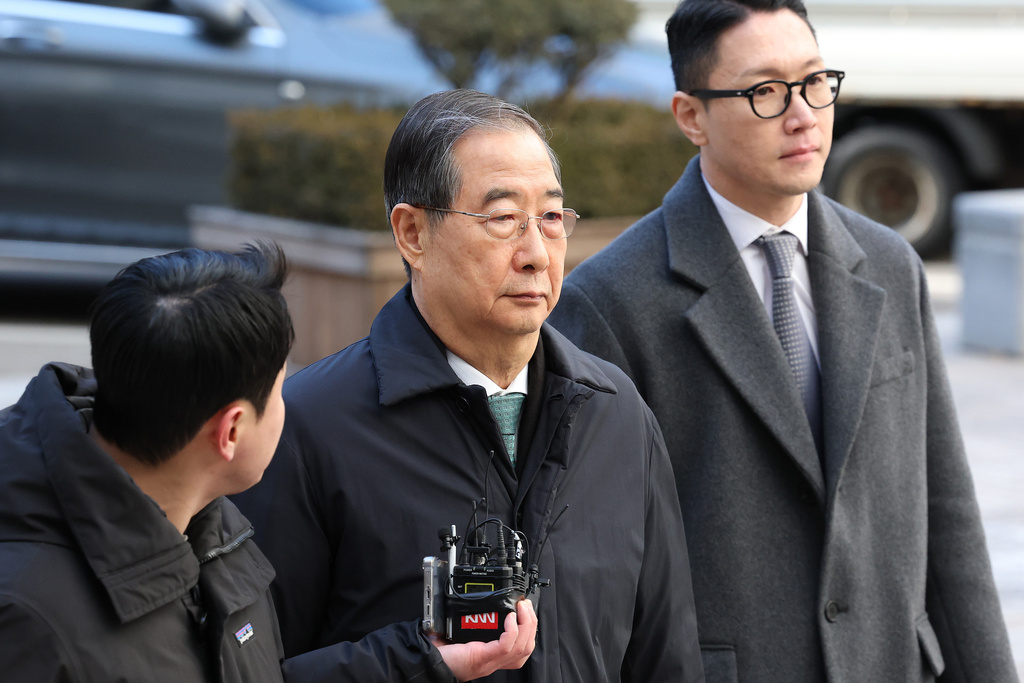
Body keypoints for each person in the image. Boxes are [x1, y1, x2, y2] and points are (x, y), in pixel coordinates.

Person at [549, 1, 1018, 681]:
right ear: (691, 116)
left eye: (815, 81)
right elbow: (590, 568)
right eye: (765, 91)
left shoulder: (890, 264)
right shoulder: (610, 301)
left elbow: (947, 510)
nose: (803, 114)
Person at [232, 89, 705, 683]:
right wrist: (419, 661)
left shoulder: (617, 413)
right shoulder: (307, 426)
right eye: (503, 219)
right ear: (413, 234)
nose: (537, 255)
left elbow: (665, 658)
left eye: (551, 218)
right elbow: (251, 670)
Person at [0, 243, 535, 683]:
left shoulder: (207, 524)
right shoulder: (30, 621)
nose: (288, 406)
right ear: (231, 431)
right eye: (279, 391)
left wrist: (423, 660)